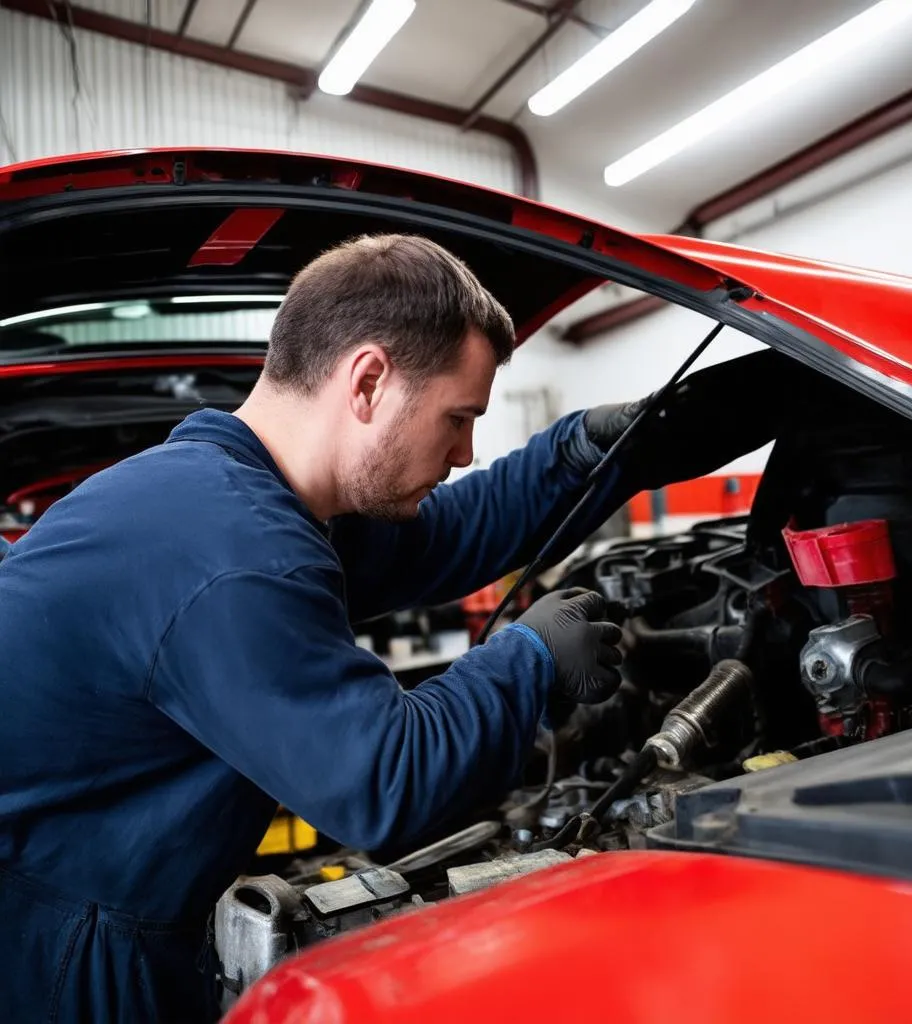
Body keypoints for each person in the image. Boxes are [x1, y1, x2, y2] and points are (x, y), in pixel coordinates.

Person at [0, 233, 789, 1022]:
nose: (465, 450)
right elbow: (384, 785)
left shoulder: (245, 493)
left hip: (106, 905)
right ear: (369, 380)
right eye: (456, 417)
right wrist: (529, 659)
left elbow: (446, 536)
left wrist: (583, 451)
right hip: (57, 940)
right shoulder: (233, 549)